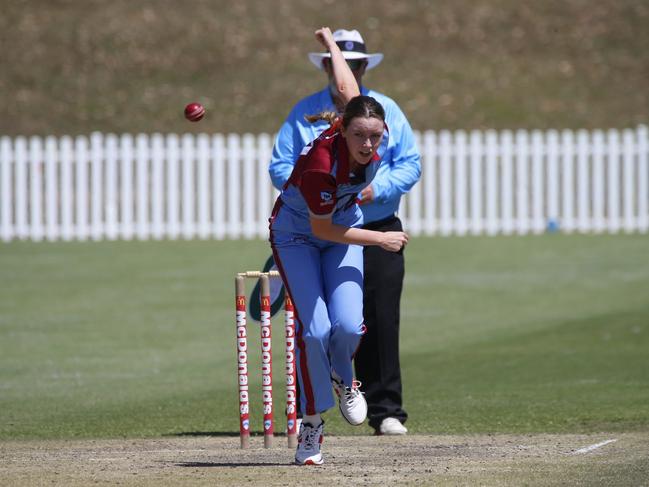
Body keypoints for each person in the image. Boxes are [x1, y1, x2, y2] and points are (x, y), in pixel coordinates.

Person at [269, 29, 421, 437]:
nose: (370, 144)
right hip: (308, 231)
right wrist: (382, 240)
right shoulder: (321, 160)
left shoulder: (371, 119)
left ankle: (353, 385)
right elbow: (323, 226)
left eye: (376, 136)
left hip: (352, 224)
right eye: (360, 136)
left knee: (354, 325)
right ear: (343, 127)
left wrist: (330, 43)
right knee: (316, 329)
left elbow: (345, 87)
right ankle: (313, 422)